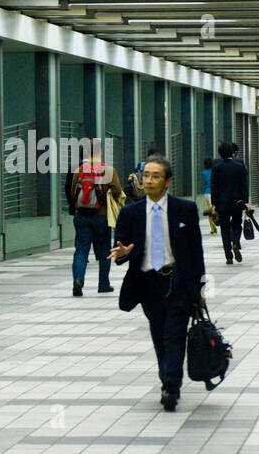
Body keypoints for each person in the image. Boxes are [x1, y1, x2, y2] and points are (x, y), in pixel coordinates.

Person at [110, 155, 206, 412]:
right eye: (146, 175)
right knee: (159, 333)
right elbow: (120, 247)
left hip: (177, 281)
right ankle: (168, 377)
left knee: (175, 333)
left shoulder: (185, 209)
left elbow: (196, 251)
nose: (149, 181)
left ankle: (171, 387)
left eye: (155, 176)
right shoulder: (130, 212)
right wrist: (123, 253)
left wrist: (201, 288)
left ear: (168, 181)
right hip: (147, 284)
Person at [66, 138, 122, 296]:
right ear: (100, 152)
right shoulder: (108, 170)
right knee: (105, 249)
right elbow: (117, 191)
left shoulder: (79, 170)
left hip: (81, 216)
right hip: (101, 216)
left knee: (81, 250)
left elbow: (72, 192)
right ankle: (103, 284)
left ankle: (78, 280)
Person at [209, 141, 251, 264]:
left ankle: (228, 256)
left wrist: (214, 204)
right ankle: (236, 243)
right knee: (237, 224)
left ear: (220, 153)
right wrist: (246, 202)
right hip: (237, 202)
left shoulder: (216, 167)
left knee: (225, 229)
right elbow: (244, 185)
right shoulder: (239, 166)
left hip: (222, 204)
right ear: (233, 152)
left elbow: (214, 186)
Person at [202, 156, 218, 234]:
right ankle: (217, 222)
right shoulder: (215, 171)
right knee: (215, 210)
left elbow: (205, 182)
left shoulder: (204, 173)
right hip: (215, 192)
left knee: (209, 212)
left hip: (207, 192)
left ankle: (213, 228)